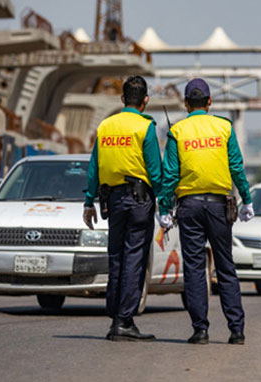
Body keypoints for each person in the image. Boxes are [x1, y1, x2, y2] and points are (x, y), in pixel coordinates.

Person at [159, 78, 254, 345]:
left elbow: (170, 175)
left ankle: (200, 330)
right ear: (209, 102)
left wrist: (164, 207)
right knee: (225, 266)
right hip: (219, 206)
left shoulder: (177, 131)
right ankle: (237, 330)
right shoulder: (224, 127)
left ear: (186, 103)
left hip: (188, 207)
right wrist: (247, 198)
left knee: (194, 268)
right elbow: (236, 165)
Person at [82, 75, 164, 341]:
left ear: (122, 99)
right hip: (139, 201)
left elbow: (94, 166)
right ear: (146, 100)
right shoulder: (144, 127)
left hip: (113, 200)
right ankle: (125, 321)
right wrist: (165, 201)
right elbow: (154, 170)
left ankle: (115, 317)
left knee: (116, 256)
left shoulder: (106, 126)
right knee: (135, 258)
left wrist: (88, 201)